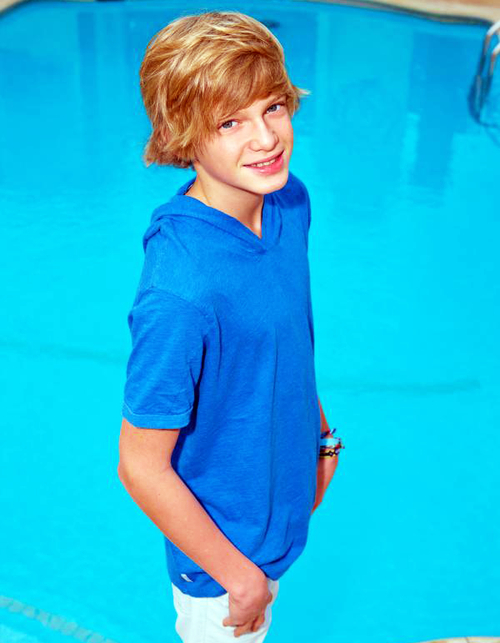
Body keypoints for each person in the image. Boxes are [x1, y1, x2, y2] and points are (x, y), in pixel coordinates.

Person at [117, 10, 342, 642]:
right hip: (223, 563)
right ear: (182, 136)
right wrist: (239, 579)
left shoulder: (288, 202)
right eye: (229, 122)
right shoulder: (180, 290)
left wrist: (320, 439)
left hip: (278, 513)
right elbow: (140, 466)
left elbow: (283, 341)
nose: (266, 139)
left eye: (273, 107)